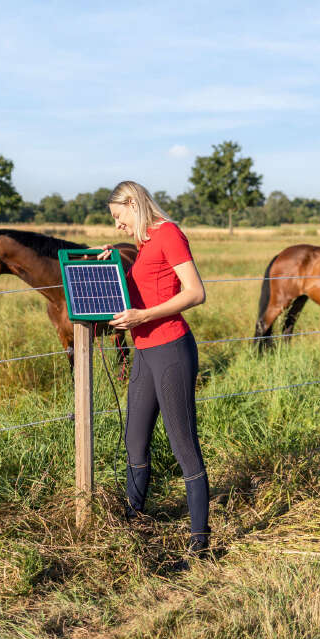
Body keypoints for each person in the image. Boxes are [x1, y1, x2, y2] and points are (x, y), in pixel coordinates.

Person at [100, 180, 210, 556]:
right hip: (144, 351)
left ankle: (200, 541)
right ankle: (134, 522)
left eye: (118, 216)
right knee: (135, 441)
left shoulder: (169, 234)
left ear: (132, 203)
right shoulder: (145, 244)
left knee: (184, 446)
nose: (118, 225)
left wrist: (143, 315)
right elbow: (143, 282)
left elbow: (196, 292)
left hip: (171, 349)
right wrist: (112, 258)